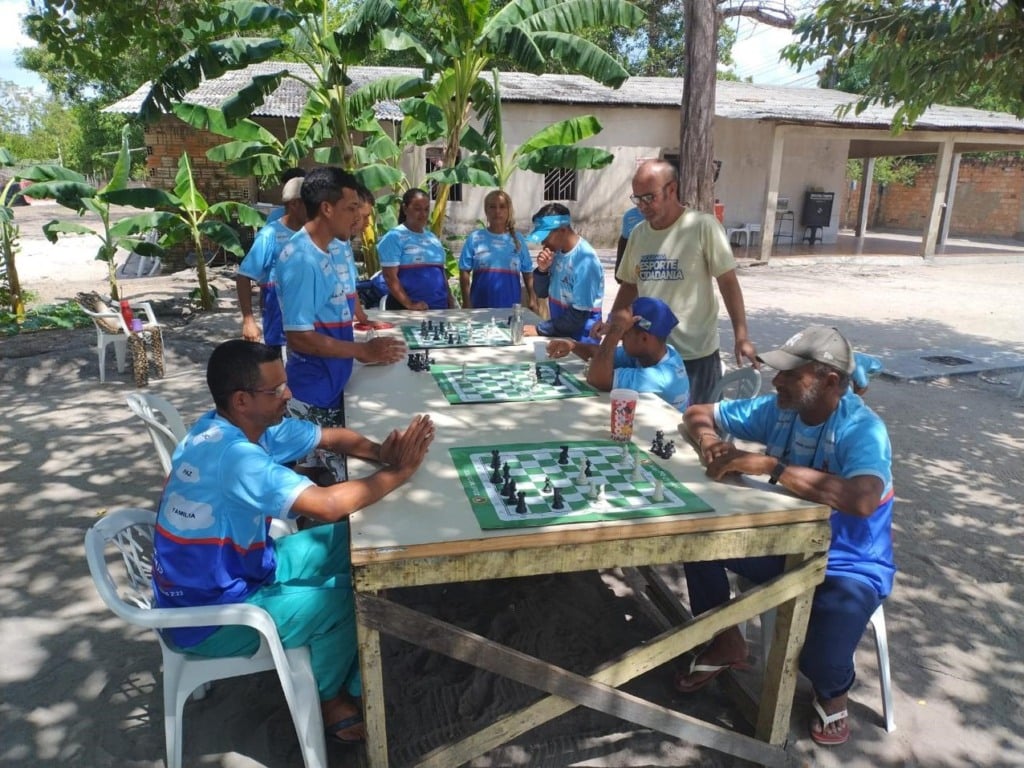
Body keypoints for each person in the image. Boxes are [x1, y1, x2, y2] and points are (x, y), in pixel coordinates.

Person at [152, 339, 435, 745]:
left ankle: (348, 672)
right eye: (277, 390)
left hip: (244, 571)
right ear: (243, 400)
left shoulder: (230, 426)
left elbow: (333, 438)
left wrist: (380, 453)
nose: (289, 394)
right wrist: (401, 472)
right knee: (350, 599)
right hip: (208, 616)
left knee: (353, 543)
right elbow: (325, 505)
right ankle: (331, 699)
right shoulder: (235, 458)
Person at [676, 325, 895, 747]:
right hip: (783, 544)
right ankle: (726, 643)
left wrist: (771, 467)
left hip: (849, 563)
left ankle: (835, 691)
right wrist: (708, 442)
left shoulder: (862, 429)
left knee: (819, 660)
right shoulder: (780, 408)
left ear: (830, 381)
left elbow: (864, 499)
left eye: (791, 375)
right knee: (696, 543)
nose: (777, 381)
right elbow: (698, 412)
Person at [275, 167, 406, 482]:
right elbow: (299, 338)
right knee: (318, 476)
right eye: (351, 208)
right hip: (312, 390)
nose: (357, 217)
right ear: (327, 208)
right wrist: (362, 351)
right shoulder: (302, 259)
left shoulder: (323, 252)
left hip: (331, 383)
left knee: (332, 471)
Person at [601, 160, 758, 404]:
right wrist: (613, 323)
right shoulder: (639, 234)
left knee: (697, 431)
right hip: (652, 354)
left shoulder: (702, 226)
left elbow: (728, 282)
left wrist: (741, 335)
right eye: (637, 199)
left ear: (671, 189)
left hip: (695, 354)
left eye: (649, 197)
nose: (643, 206)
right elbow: (630, 286)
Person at [545, 297, 690, 411]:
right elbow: (598, 354)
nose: (620, 338)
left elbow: (597, 378)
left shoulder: (662, 377)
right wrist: (573, 345)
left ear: (645, 338)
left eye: (624, 333)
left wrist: (614, 332)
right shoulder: (653, 353)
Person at [236, 176, 306, 347]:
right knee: (279, 364)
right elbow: (244, 277)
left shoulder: (312, 233)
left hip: (307, 317)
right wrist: (249, 321)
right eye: (311, 203)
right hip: (278, 315)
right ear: (294, 204)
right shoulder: (270, 235)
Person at [521, 203, 604, 342]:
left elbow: (578, 317)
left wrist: (539, 329)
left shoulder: (585, 261)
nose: (543, 243)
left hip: (581, 341)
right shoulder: (556, 253)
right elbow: (541, 293)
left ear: (563, 230)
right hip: (560, 334)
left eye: (546, 236)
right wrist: (542, 270)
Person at [458, 189, 536, 310]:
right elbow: (464, 271)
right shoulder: (475, 238)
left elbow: (527, 271)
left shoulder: (518, 240)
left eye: (502, 207)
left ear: (508, 210)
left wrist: (532, 299)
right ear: (486, 210)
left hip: (510, 307)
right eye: (492, 207)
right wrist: (467, 302)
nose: (497, 211)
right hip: (480, 306)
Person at [378, 188, 455, 310]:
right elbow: (389, 277)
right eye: (417, 209)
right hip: (411, 312)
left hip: (440, 310)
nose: (423, 214)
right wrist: (410, 305)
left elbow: (441, 273)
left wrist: (450, 300)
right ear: (405, 209)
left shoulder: (433, 239)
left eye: (426, 209)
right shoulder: (394, 237)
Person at [613, 205, 644, 284]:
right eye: (636, 198)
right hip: (634, 272)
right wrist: (619, 271)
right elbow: (624, 243)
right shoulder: (630, 216)